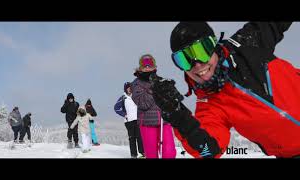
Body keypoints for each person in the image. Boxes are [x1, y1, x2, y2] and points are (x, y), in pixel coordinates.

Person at [150, 22, 300, 158]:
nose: (196, 64)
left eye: (201, 51)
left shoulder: (246, 45)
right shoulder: (209, 106)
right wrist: (179, 117)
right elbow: (208, 151)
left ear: (214, 45)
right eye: (184, 59)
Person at [131, 54, 176, 159]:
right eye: (145, 66)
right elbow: (143, 103)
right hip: (147, 122)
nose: (147, 69)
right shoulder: (136, 84)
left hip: (164, 121)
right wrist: (154, 88)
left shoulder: (160, 80)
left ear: (155, 67)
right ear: (140, 68)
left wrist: (170, 91)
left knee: (169, 152)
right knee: (152, 154)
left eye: (150, 66)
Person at [114, 82, 145, 158]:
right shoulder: (123, 97)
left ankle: (142, 152)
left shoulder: (136, 96)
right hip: (129, 121)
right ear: (125, 89)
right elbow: (116, 108)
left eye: (131, 87)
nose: (129, 89)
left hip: (138, 119)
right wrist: (123, 114)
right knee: (132, 138)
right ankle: (133, 154)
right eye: (128, 88)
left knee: (140, 137)